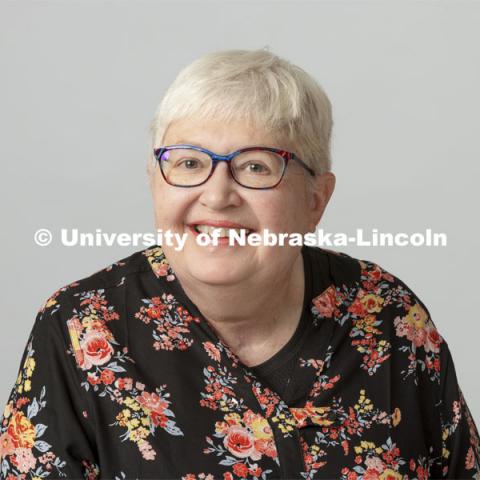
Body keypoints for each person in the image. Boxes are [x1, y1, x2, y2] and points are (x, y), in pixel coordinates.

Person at [1, 48, 478, 480]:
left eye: (256, 166)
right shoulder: (81, 329)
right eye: (189, 163)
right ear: (154, 181)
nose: (217, 195)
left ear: (316, 199)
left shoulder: (387, 317)